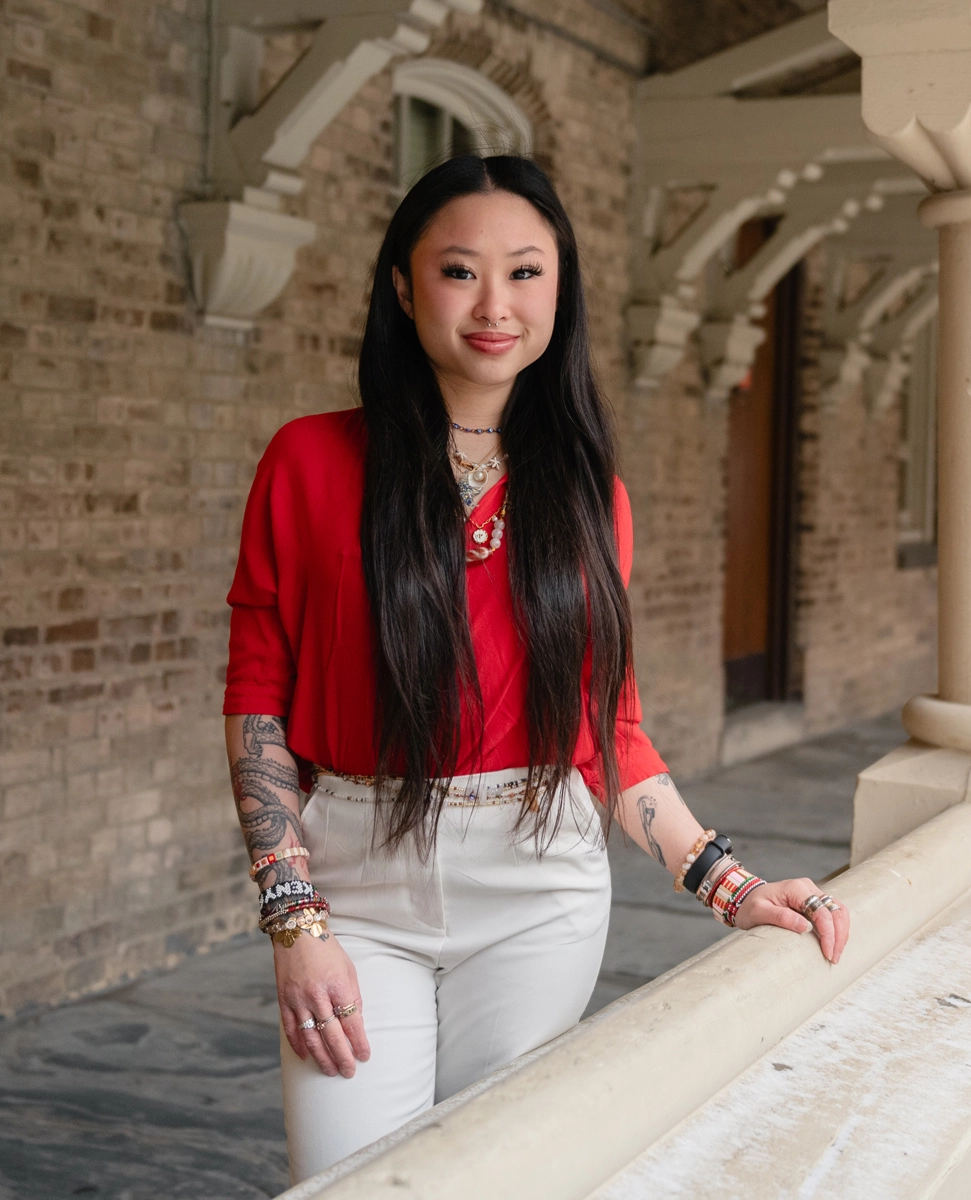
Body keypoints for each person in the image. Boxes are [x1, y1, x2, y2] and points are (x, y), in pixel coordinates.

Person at [222, 154, 851, 1182]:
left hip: (535, 890)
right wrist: (292, 916)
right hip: (355, 883)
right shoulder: (309, 462)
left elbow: (610, 729)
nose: (494, 306)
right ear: (401, 284)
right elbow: (257, 697)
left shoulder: (587, 497)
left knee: (498, 1178)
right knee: (351, 1178)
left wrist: (729, 883)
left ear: (560, 291)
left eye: (526, 273)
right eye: (460, 271)